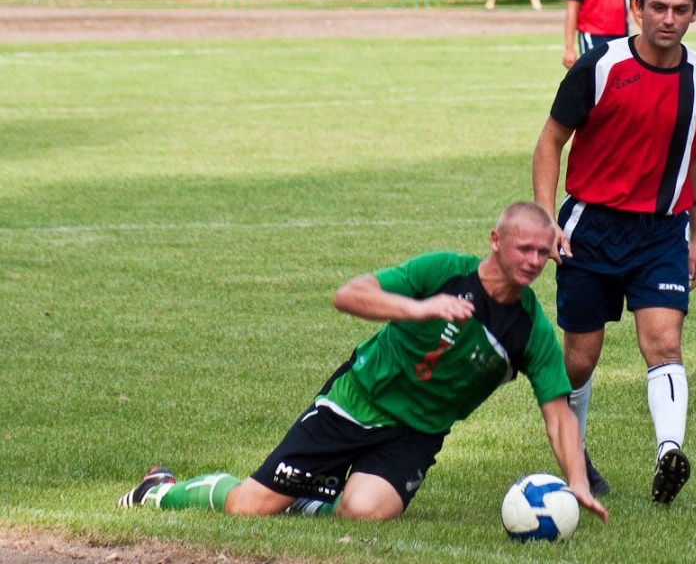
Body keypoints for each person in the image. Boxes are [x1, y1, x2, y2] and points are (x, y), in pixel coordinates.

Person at [116, 202, 609, 523]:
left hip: (417, 433)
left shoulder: (531, 330)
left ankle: (311, 496)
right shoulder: (441, 272)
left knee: (365, 512)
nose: (533, 260)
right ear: (496, 241)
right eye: (524, 247)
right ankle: (164, 488)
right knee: (249, 508)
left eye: (544, 253)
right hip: (356, 402)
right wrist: (419, 308)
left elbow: (558, 413)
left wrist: (577, 482)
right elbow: (348, 295)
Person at [532, 0, 696, 504]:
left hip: (662, 233)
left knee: (664, 343)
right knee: (580, 358)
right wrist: (547, 218)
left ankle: (669, 452)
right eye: (658, 7)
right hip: (590, 230)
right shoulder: (600, 66)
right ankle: (577, 458)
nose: (669, 19)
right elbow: (551, 141)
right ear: (638, 8)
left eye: (680, 9)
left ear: (695, 13)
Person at [561, 0, 637, 69]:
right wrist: (569, 48)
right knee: (596, 79)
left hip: (622, 37)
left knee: (620, 80)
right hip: (593, 36)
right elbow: (572, 9)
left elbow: (637, 6)